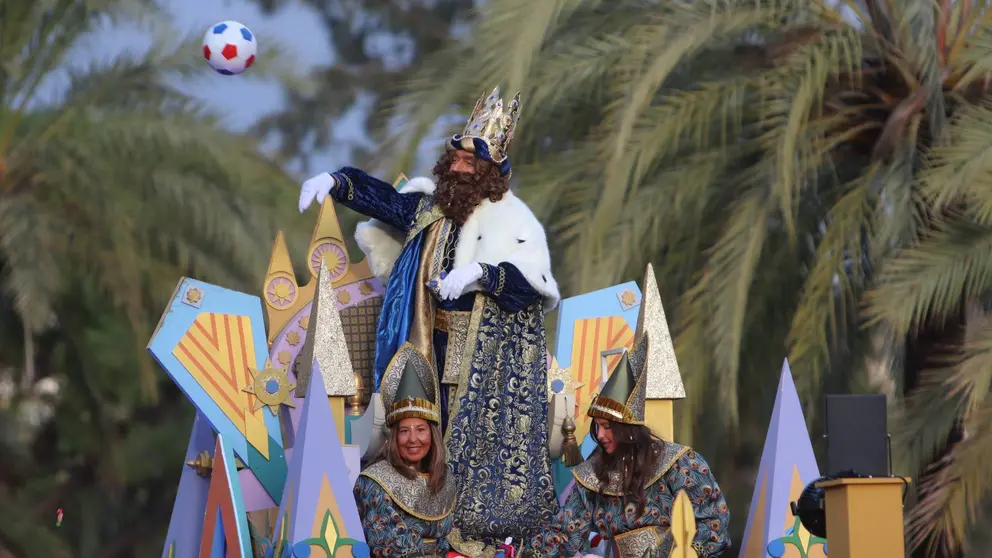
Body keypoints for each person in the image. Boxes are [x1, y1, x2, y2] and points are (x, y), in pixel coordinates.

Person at [299, 87, 560, 554]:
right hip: (427, 343)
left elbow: (530, 288)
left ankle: (471, 541)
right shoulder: (431, 210)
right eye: (455, 157)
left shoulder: (514, 222)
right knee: (422, 434)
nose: (457, 166)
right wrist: (338, 182)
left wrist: (481, 274)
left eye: (468, 162)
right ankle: (421, 531)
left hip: (484, 358)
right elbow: (386, 201)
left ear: (489, 173)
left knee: (472, 442)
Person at [525, 334, 732, 558]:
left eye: (607, 426)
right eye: (597, 427)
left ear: (628, 428)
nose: (601, 435)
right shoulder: (593, 475)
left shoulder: (679, 463)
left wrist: (686, 553)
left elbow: (713, 522)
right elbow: (565, 534)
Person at [354, 342, 457, 557]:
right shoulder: (374, 481)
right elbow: (390, 545)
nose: (412, 439)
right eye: (404, 431)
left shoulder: (446, 477)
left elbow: (454, 536)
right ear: (393, 437)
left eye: (420, 429)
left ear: (432, 434)